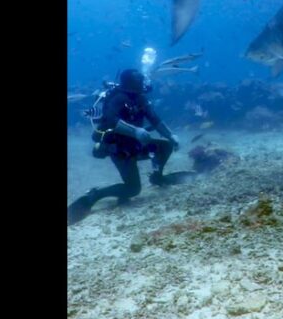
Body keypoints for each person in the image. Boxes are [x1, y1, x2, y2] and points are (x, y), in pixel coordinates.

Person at [68, 69, 196, 225]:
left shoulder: (140, 99)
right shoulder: (117, 98)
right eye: (141, 81)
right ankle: (96, 195)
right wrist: (135, 131)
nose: (144, 84)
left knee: (165, 147)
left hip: (137, 145)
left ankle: (157, 177)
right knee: (133, 189)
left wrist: (170, 135)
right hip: (119, 149)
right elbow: (111, 120)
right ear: (133, 83)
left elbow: (155, 120)